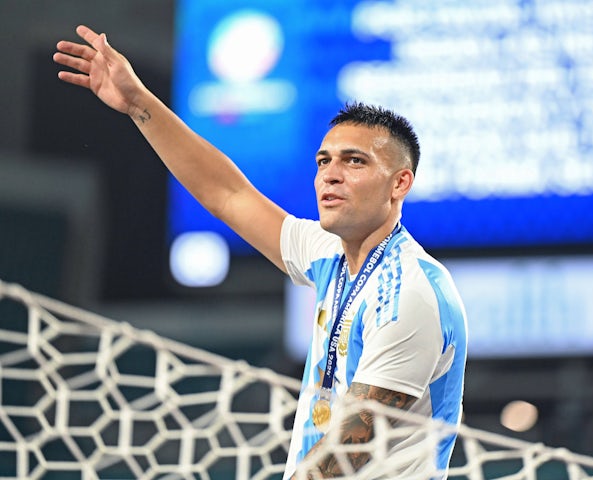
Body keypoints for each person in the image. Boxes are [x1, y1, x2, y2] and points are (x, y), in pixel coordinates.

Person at [54, 25, 468, 479]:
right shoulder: (331, 254)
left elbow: (350, 455)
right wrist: (139, 105)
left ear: (400, 184)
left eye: (354, 161)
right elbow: (228, 195)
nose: (330, 174)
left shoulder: (409, 293)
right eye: (323, 161)